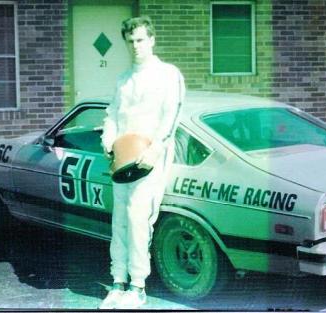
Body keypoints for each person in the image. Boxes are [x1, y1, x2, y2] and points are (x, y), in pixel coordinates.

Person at [99, 16, 185, 309]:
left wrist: (155, 148)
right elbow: (111, 114)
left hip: (149, 158)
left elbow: (170, 116)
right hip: (122, 161)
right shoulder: (124, 79)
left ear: (152, 39)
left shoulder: (167, 74)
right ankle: (118, 282)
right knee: (119, 221)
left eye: (140, 40)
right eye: (130, 41)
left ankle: (137, 286)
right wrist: (108, 140)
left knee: (138, 219)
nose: (135, 46)